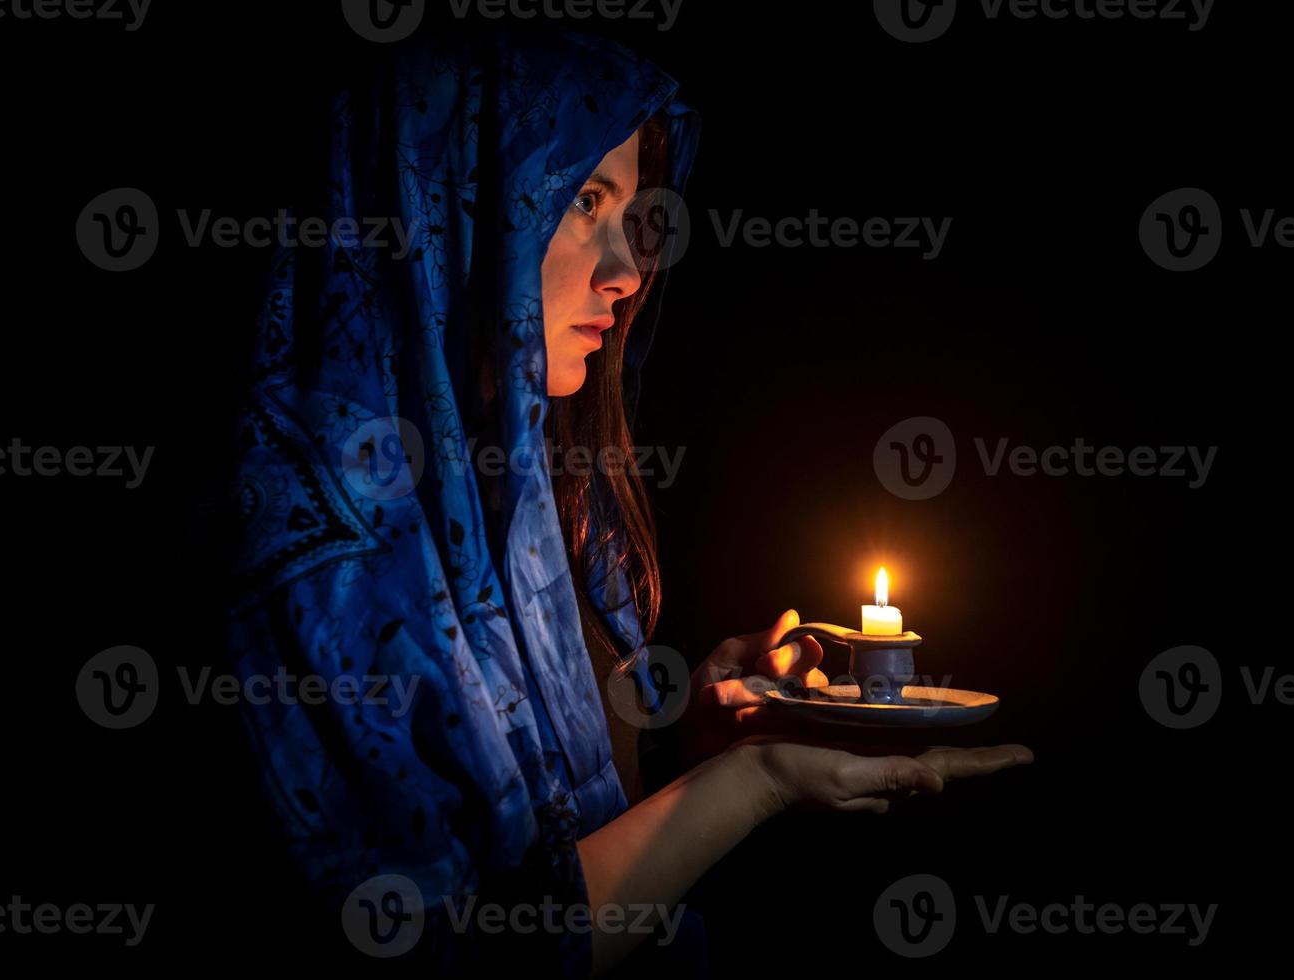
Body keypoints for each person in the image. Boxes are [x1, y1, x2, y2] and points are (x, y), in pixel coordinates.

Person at [221, 24, 1032, 977]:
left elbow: (576, 836)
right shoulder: (311, 539)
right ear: (438, 208)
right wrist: (753, 784)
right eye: (580, 201)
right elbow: (460, 964)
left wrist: (690, 734)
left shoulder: (534, 502)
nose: (628, 272)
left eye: (632, 212)